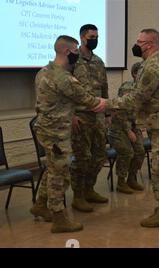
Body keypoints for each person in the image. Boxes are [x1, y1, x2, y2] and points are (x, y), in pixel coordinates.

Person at [30, 35, 107, 233]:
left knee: (51, 169)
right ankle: (59, 218)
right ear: (66, 52)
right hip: (57, 133)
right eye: (75, 51)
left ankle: (40, 204)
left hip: (46, 129)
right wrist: (110, 105)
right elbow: (88, 100)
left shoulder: (42, 72)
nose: (77, 55)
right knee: (60, 174)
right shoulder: (64, 78)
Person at [109, 29, 159, 228]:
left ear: (149, 44)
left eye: (139, 41)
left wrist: (106, 104)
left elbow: (136, 98)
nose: (136, 44)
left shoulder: (154, 67)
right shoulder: (154, 63)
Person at [70, 24, 110, 213]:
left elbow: (104, 88)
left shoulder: (99, 61)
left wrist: (108, 113)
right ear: (82, 37)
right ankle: (78, 196)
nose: (95, 39)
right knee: (82, 157)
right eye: (92, 36)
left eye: (97, 36)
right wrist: (71, 115)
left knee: (99, 155)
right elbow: (64, 90)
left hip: (98, 117)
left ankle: (89, 189)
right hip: (80, 117)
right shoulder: (72, 60)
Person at [109, 62, 145, 194]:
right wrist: (128, 131)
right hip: (119, 126)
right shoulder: (127, 88)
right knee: (127, 152)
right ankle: (121, 182)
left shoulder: (142, 89)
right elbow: (120, 113)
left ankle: (132, 178)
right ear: (135, 74)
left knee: (140, 151)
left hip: (132, 125)